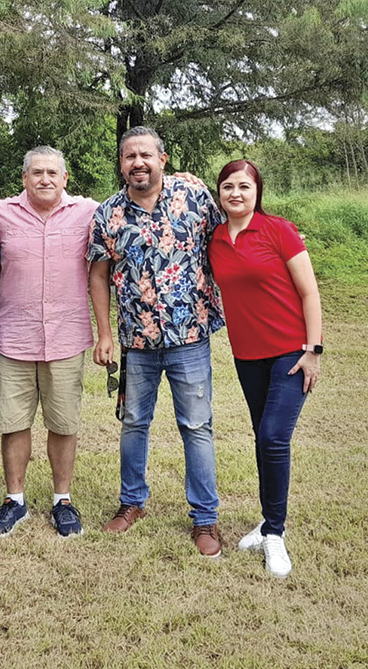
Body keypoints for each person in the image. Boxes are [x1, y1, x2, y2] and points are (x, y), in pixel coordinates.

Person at [87, 126, 226, 558]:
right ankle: (132, 503)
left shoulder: (194, 196)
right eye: (129, 156)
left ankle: (205, 518)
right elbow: (98, 274)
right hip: (137, 341)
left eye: (145, 155)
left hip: (189, 337)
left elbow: (227, 242)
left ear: (162, 159)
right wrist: (104, 334)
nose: (138, 163)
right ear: (121, 164)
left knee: (196, 426)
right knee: (133, 423)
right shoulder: (108, 214)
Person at [207, 159, 323, 579]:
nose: (235, 193)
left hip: (290, 352)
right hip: (247, 355)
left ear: (257, 192)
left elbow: (309, 292)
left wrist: (313, 350)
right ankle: (268, 520)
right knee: (262, 438)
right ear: (219, 194)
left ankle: (275, 532)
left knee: (274, 437)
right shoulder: (215, 238)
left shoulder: (278, 230)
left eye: (244, 186)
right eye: (227, 187)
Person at [0, 146, 98, 538]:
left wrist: (180, 183)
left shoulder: (88, 211)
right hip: (15, 336)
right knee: (13, 422)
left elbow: (133, 210)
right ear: (24, 178)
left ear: (65, 178)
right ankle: (15, 499)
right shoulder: (0, 213)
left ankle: (63, 499)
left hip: (66, 337)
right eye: (37, 172)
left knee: (63, 422)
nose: (45, 179)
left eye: (52, 173)